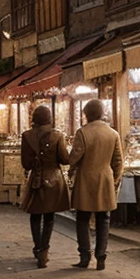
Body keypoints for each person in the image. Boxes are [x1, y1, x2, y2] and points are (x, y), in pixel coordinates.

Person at [68, 99, 123, 270]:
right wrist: (114, 180)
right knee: (103, 219)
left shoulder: (83, 133)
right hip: (105, 180)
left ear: (87, 114)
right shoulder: (113, 134)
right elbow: (118, 162)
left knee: (83, 219)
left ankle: (85, 256)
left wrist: (71, 169)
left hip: (85, 180)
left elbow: (74, 157)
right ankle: (101, 257)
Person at [21, 105, 70, 267]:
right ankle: (44, 250)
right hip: (54, 181)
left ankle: (37, 247)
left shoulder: (27, 136)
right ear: (50, 119)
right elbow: (64, 159)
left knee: (35, 215)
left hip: (36, 180)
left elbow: (26, 164)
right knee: (49, 217)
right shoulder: (57, 136)